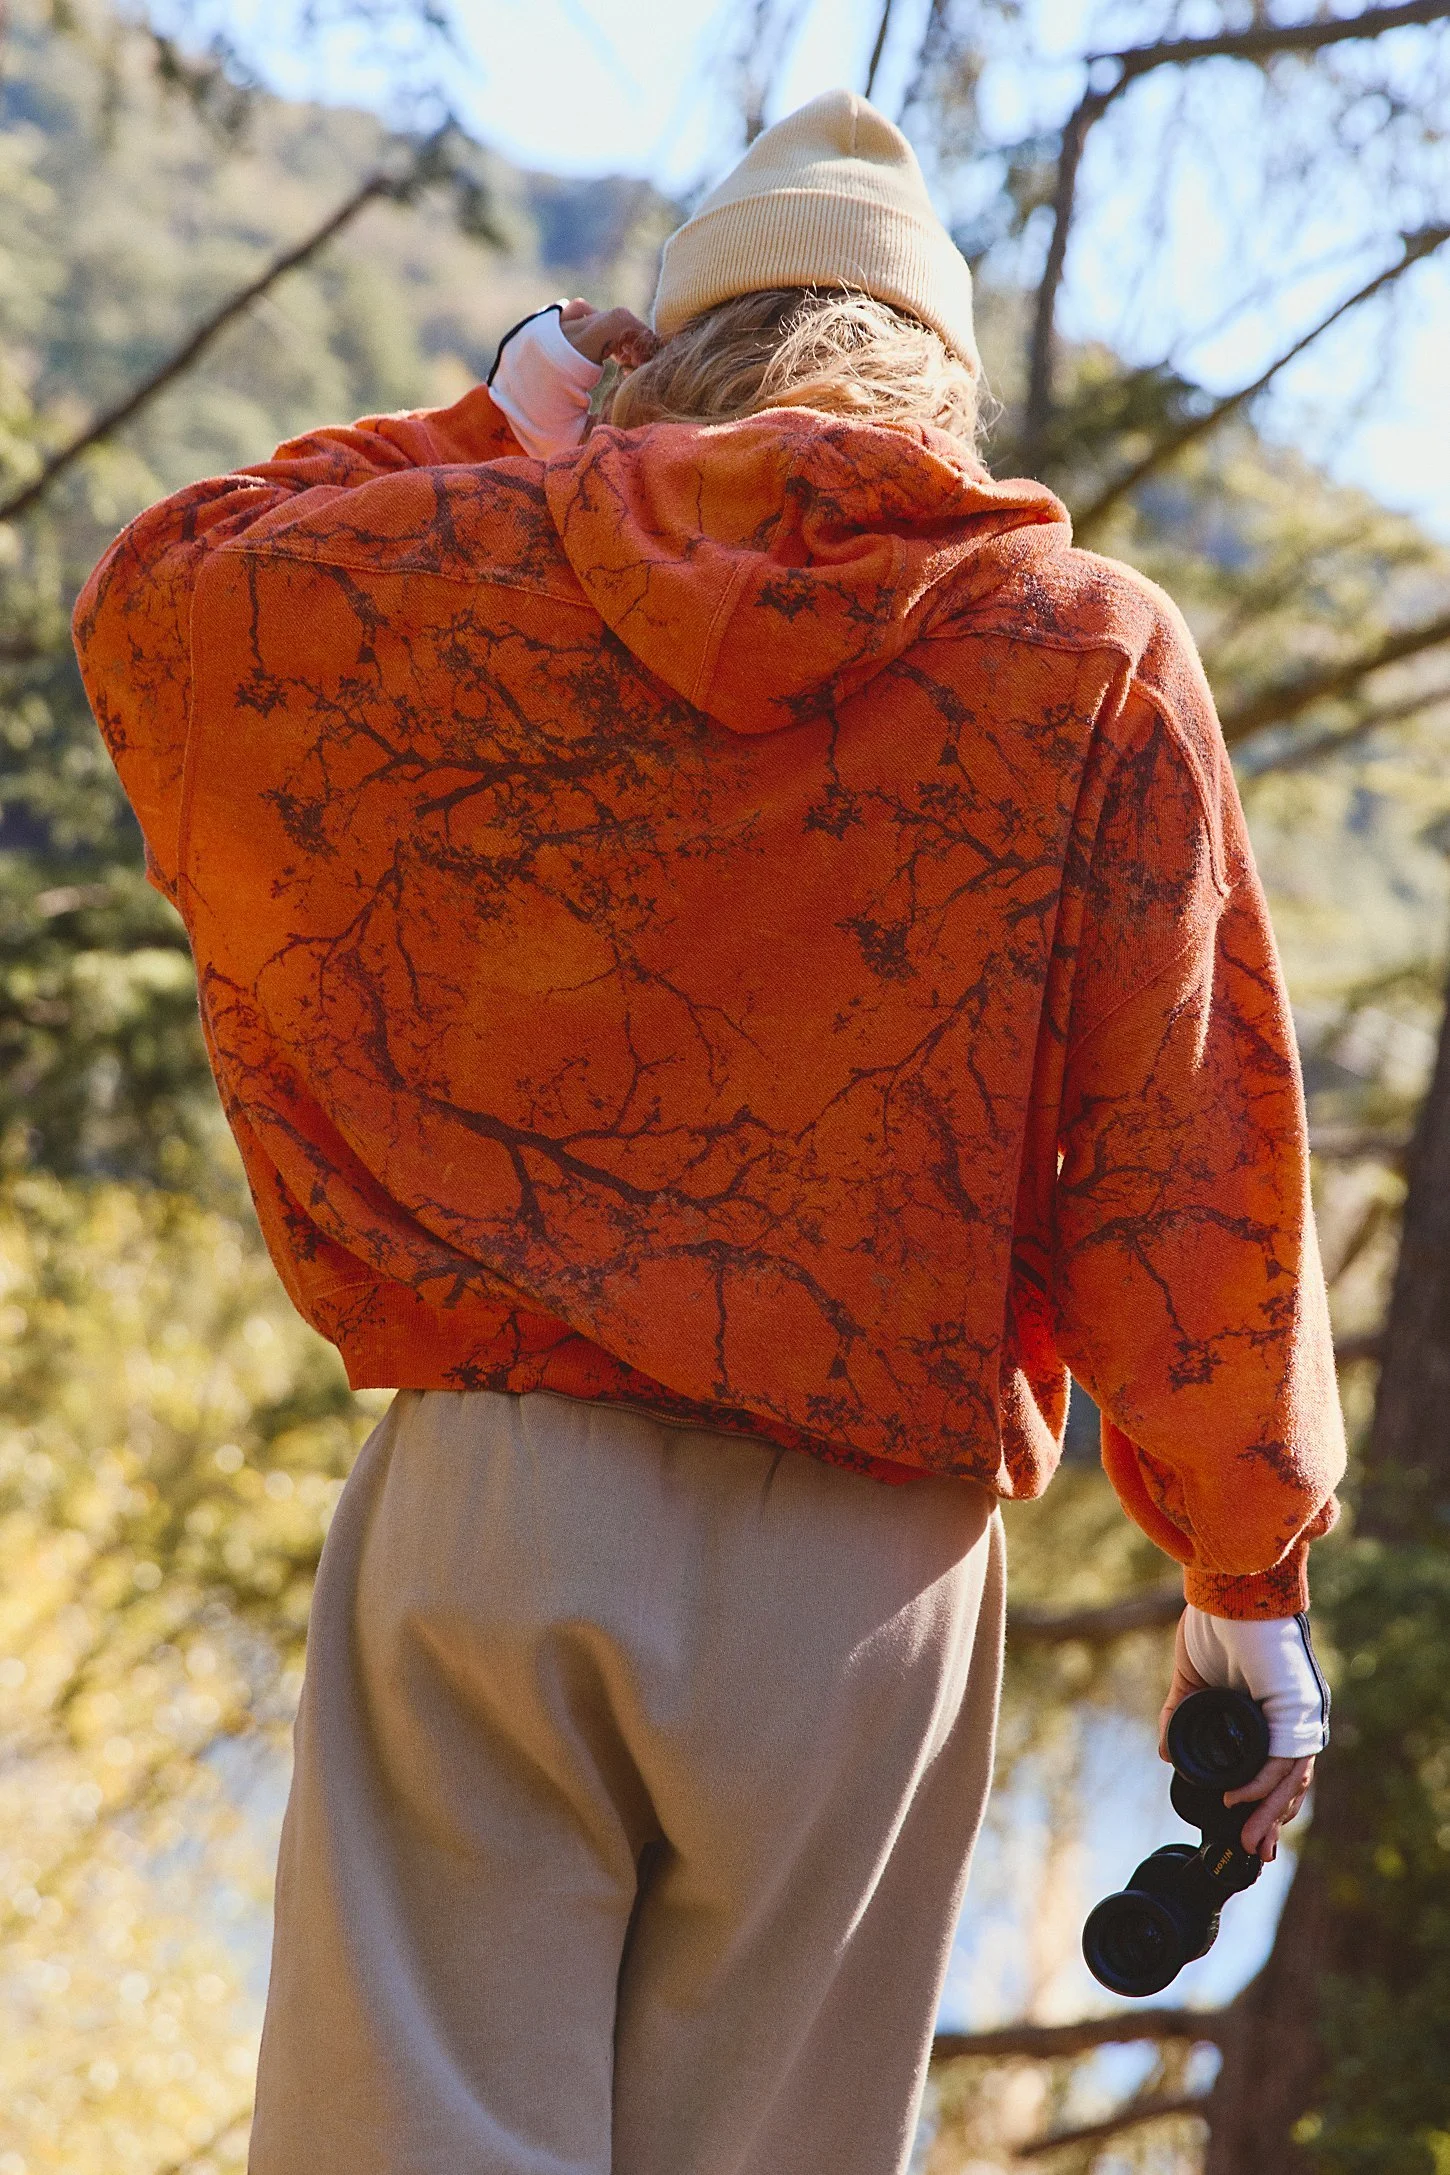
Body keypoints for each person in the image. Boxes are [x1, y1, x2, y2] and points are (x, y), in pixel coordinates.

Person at [75, 88, 1344, 2175]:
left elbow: (161, 607)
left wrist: (503, 422)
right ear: (941, 384)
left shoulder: (469, 576)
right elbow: (1184, 1163)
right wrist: (1244, 1594)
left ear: (663, 355)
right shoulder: (1082, 654)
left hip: (496, 1495)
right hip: (858, 1575)